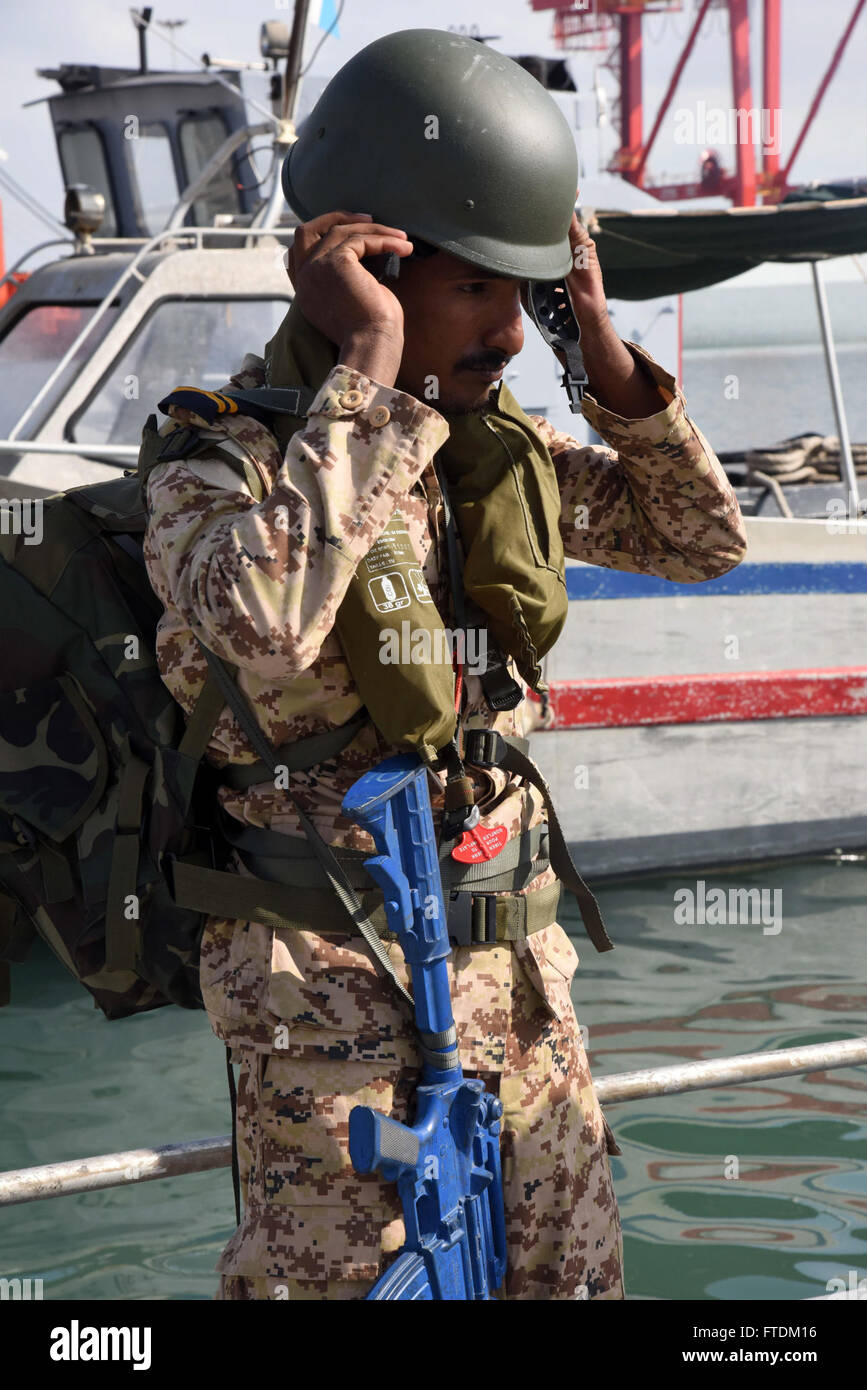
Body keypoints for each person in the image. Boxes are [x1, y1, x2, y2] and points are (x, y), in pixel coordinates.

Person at [142, 30, 746, 1301]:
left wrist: (594, 341)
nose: (509, 337)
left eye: (523, 300)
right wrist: (364, 371)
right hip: (329, 1010)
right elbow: (259, 622)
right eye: (480, 291)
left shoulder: (485, 450)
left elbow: (702, 539)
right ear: (368, 264)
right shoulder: (224, 463)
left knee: (574, 1287)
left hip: (516, 991)